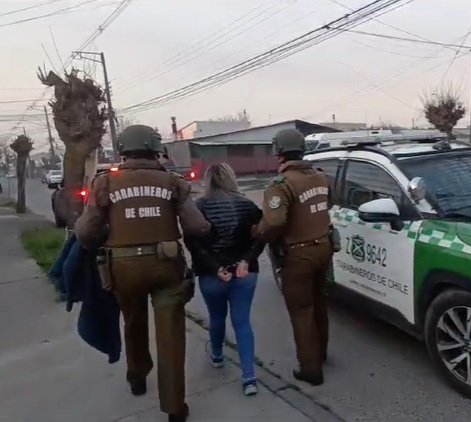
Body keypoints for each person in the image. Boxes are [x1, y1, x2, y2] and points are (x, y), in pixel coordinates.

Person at [74, 124, 211, 422]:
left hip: (122, 269)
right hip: (167, 265)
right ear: (155, 148)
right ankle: (175, 407)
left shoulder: (105, 183)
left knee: (133, 322)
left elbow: (86, 233)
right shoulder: (172, 182)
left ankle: (136, 376)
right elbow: (197, 227)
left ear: (123, 150)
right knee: (171, 335)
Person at [252, 128, 333, 386]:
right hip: (324, 248)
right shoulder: (321, 177)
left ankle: (311, 370)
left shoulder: (281, 185)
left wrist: (257, 232)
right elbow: (325, 206)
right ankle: (320, 353)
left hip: (298, 256)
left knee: (301, 310)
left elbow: (274, 222)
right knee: (319, 304)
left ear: (279, 152)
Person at [184, 163, 265, 397]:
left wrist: (216, 267)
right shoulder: (247, 205)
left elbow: (193, 244)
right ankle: (249, 377)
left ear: (207, 181)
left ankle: (218, 355)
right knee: (242, 321)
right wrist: (246, 261)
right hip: (244, 272)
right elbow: (260, 237)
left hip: (213, 275)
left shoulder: (199, 207)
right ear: (231, 178)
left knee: (217, 317)